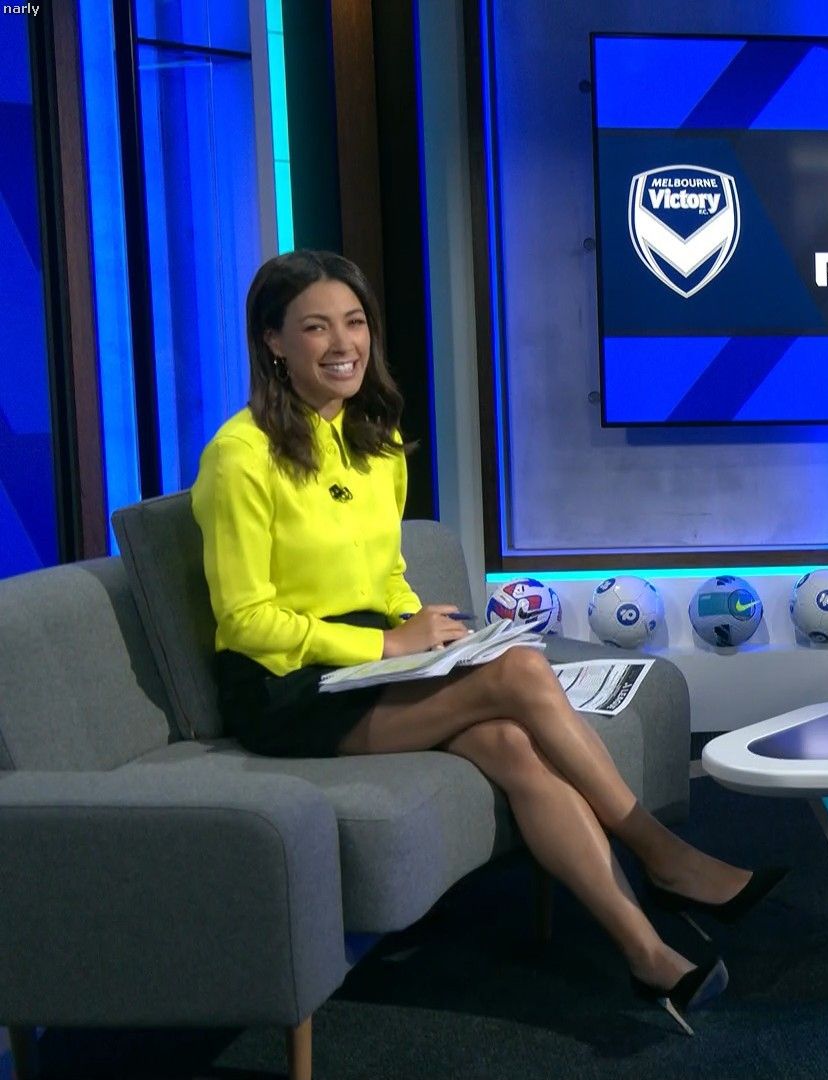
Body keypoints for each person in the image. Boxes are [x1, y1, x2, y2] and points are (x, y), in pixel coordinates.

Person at [192, 250, 780, 1034]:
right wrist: (389, 648)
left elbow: (385, 576)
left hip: (370, 665)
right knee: (521, 672)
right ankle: (661, 854)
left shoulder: (373, 439)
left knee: (511, 742)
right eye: (315, 328)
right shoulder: (240, 456)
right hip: (287, 689)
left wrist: (432, 637)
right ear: (273, 342)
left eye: (355, 323)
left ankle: (647, 954)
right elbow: (244, 621)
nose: (342, 344)